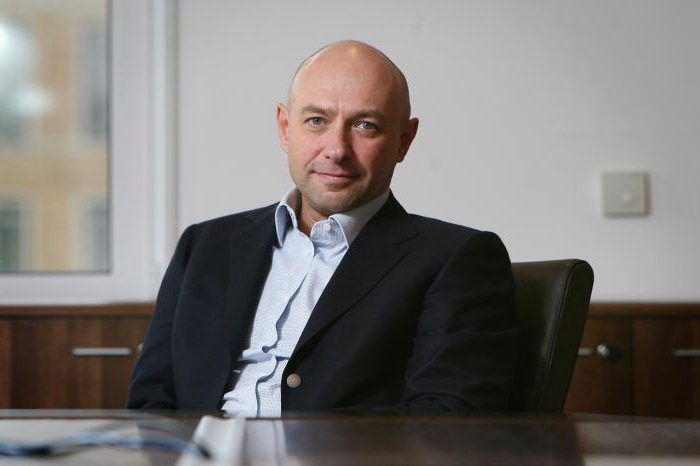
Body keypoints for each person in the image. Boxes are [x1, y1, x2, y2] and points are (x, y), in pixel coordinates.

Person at [127, 40, 519, 415]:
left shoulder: (456, 259)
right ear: (285, 128)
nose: (337, 150)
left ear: (403, 141)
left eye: (365, 125)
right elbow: (151, 404)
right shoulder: (205, 245)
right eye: (316, 121)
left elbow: (446, 421)